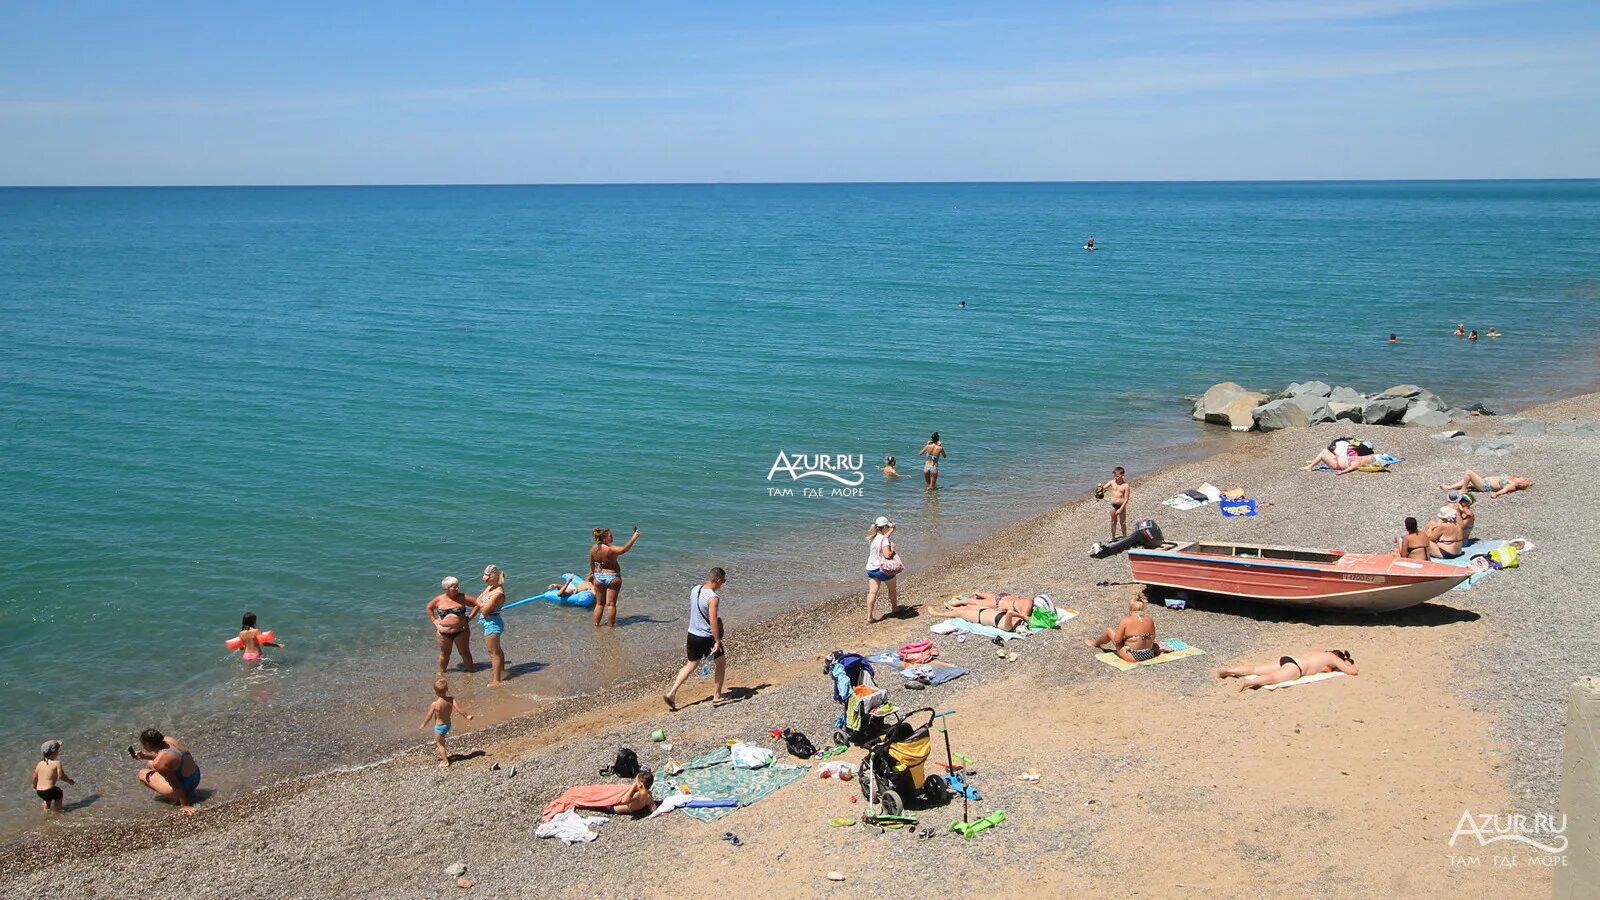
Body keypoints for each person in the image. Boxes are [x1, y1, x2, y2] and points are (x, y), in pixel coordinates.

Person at [664, 567, 729, 710]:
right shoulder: (713, 597)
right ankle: (717, 696)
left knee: (691, 665)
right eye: (723, 581)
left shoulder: (696, 589)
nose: (723, 584)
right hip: (706, 637)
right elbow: (712, 620)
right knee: (721, 663)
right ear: (717, 580)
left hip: (692, 634)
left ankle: (671, 693)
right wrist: (717, 641)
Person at [1216, 649, 1358, 691]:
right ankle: (1247, 683)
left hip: (1289, 658)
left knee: (1255, 668)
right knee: (1274, 678)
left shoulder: (1319, 652)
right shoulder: (1331, 658)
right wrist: (1345, 661)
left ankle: (1228, 670)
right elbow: (1353, 671)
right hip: (1297, 668)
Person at [132, 729, 200, 815]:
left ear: (148, 744)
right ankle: (182, 794)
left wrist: (185, 805)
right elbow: (169, 758)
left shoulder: (159, 763)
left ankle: (177, 798)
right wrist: (144, 756)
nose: (143, 747)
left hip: (186, 787)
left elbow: (176, 785)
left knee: (142, 774)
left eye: (143, 744)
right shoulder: (169, 740)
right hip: (195, 776)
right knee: (150, 763)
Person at [1083, 596, 1162, 662]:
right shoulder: (1149, 619)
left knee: (1109, 630)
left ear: (1130, 609)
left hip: (1133, 656)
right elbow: (1153, 637)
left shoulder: (1126, 620)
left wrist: (1127, 638)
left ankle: (1095, 643)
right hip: (1149, 653)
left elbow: (1117, 640)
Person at [589, 526, 640, 627]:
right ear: (604, 538)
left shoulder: (593, 549)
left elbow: (592, 564)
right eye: (610, 536)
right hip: (612, 577)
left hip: (598, 576)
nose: (612, 537)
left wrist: (594, 575)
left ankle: (595, 627)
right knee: (611, 604)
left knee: (599, 604)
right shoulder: (610, 549)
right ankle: (610, 628)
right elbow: (624, 549)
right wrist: (634, 537)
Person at [427, 577, 477, 676]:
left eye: (457, 586)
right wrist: (434, 620)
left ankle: (471, 674)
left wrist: (469, 618)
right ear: (446, 588)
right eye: (454, 587)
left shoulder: (462, 597)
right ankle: (442, 674)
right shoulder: (439, 599)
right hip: (443, 633)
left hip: (461, 631)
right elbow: (429, 607)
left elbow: (477, 604)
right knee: (444, 654)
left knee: (465, 653)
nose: (457, 588)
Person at [420, 677, 473, 768]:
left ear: (435, 692)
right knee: (442, 740)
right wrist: (467, 716)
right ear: (447, 689)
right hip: (448, 725)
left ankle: (445, 761)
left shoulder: (435, 704)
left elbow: (429, 716)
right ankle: (445, 755)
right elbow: (459, 709)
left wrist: (423, 724)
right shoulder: (451, 700)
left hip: (439, 727)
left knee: (439, 744)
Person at [943, 592, 1048, 632]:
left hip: (1002, 597)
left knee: (975, 600)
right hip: (996, 604)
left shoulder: (1027, 600)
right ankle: (952, 605)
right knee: (970, 602)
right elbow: (1023, 616)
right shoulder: (1027, 607)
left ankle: (978, 594)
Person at [865, 516, 901, 623]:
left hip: (871, 569)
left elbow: (883, 538)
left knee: (872, 592)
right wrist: (893, 549)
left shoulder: (872, 537)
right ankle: (894, 609)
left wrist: (892, 530)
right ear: (884, 527)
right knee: (892, 589)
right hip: (883, 569)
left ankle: (869, 616)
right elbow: (887, 555)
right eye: (888, 526)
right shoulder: (884, 540)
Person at [477, 565, 509, 687]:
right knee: (497, 650)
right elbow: (478, 601)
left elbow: (485, 611)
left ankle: (496, 680)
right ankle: (501, 670)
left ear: (494, 577)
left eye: (486, 577)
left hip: (493, 623)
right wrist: (481, 604)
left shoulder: (498, 593)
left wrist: (480, 604)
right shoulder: (490, 587)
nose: (484, 579)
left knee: (493, 653)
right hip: (489, 621)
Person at [33, 740, 75, 813]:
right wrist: (69, 781)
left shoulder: (39, 763)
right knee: (59, 794)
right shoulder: (57, 763)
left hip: (39, 791)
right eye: (58, 750)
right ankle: (58, 811)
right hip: (50, 790)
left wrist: (34, 786)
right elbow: (61, 776)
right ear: (54, 753)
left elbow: (35, 777)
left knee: (47, 799)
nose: (58, 752)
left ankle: (46, 811)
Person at [1439, 470, 1533, 499]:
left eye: (1525, 480)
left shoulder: (1512, 484)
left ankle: (1464, 489)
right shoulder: (1512, 478)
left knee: (1469, 473)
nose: (1523, 478)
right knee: (1468, 478)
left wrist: (1496, 494)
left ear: (1522, 484)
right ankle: (1450, 487)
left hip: (1484, 485)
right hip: (1485, 481)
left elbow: (1505, 490)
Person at [1301, 440, 1375, 473]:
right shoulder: (1358, 458)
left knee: (1323, 454)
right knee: (1324, 450)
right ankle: (1313, 462)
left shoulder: (1357, 462)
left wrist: (1342, 472)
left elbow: (1350, 468)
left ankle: (1310, 467)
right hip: (1337, 459)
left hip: (1336, 464)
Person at [1098, 466, 1131, 540]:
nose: (1115, 478)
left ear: (1122, 475)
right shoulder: (1112, 482)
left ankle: (1125, 537)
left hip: (1121, 506)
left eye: (1117, 476)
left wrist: (1121, 509)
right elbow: (1103, 488)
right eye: (1114, 476)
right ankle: (1113, 538)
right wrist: (1100, 490)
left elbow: (1126, 499)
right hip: (1113, 505)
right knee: (1113, 522)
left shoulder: (1126, 486)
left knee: (1123, 522)